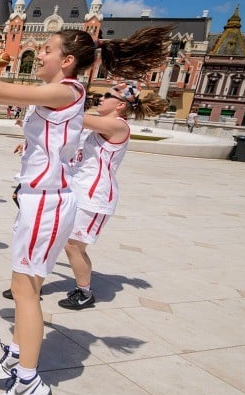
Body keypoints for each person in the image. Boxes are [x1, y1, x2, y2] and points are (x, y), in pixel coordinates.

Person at [0, 22, 171, 395]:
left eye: (47, 50)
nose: (39, 54)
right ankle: (18, 353)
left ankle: (28, 379)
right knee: (27, 284)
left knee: (25, 290)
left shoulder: (67, 89)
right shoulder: (62, 92)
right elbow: (2, 93)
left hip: (49, 201)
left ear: (67, 60)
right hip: (42, 198)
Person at [58, 82, 169, 311]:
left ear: (120, 105)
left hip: (95, 196)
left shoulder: (118, 126)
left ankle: (85, 293)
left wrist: (57, 95)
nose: (100, 98)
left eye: (107, 95)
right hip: (80, 191)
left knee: (74, 246)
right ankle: (81, 287)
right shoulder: (102, 125)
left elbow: (74, 118)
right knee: (68, 243)